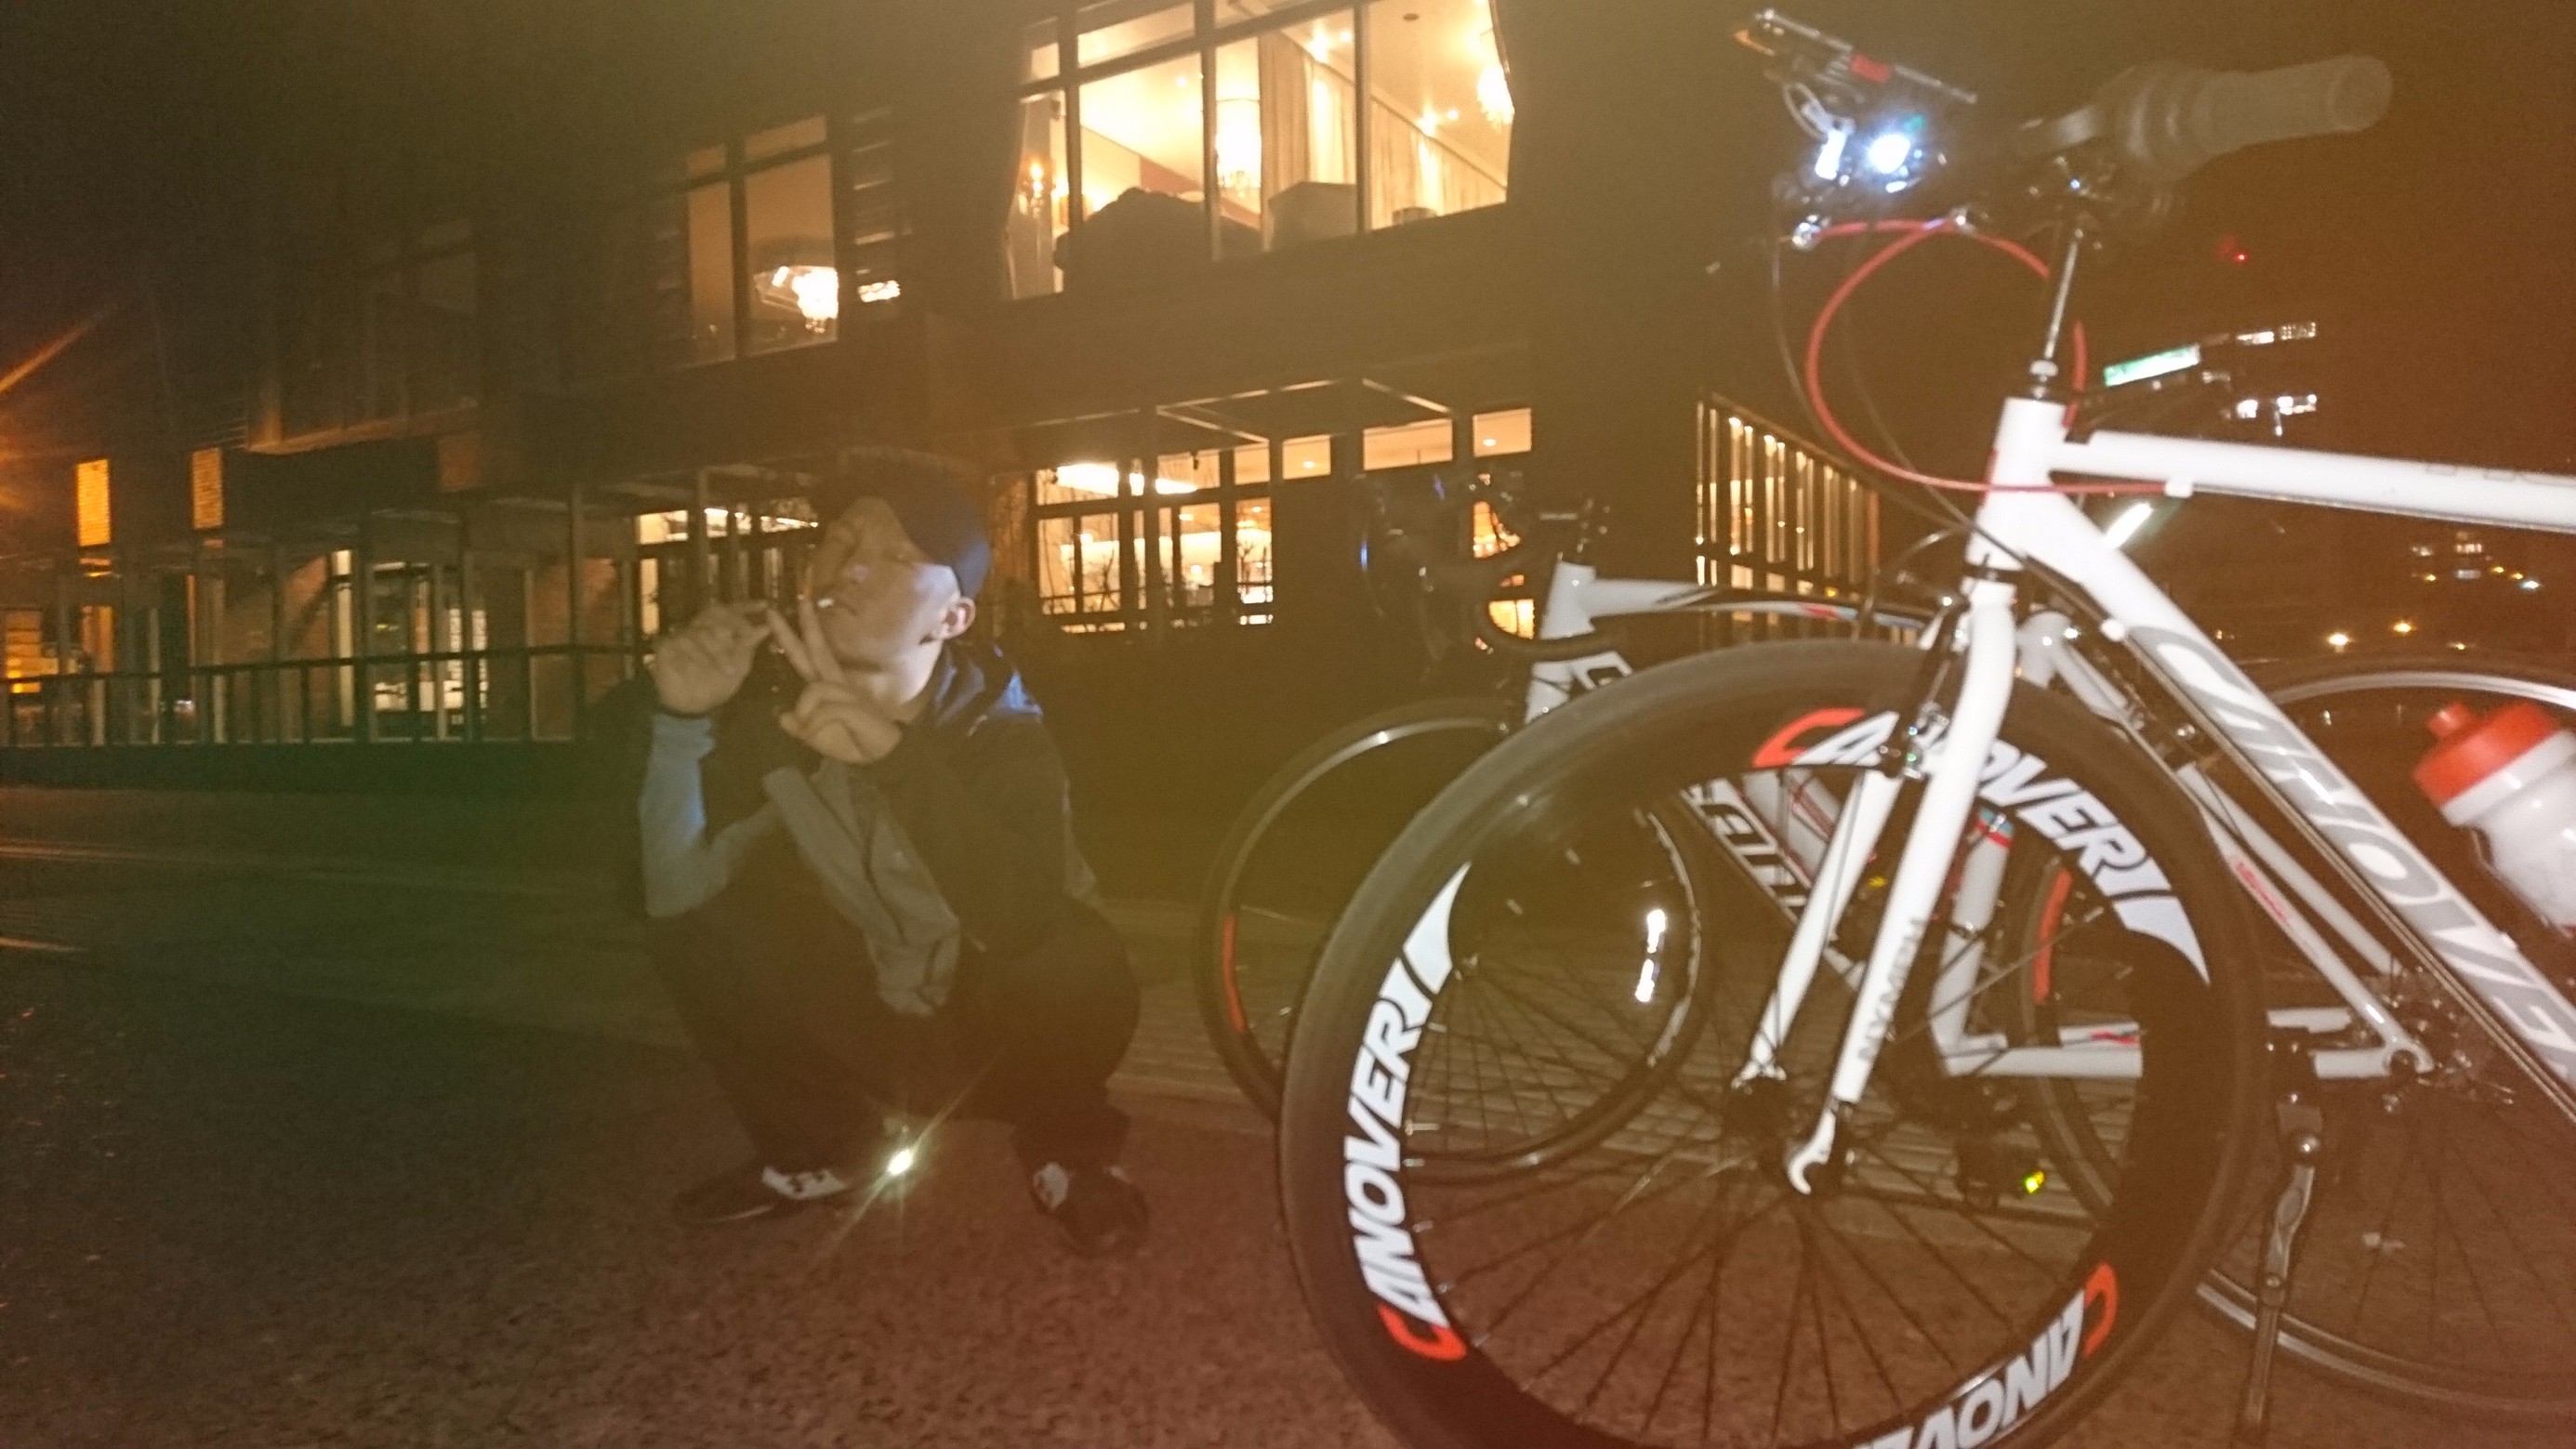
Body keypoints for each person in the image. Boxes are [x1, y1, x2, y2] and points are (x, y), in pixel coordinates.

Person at [621, 447, 1145, 1255]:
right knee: (710, 922)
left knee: (1072, 951)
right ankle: (827, 1151)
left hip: (1015, 1037)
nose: (852, 568)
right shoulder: (779, 727)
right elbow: (676, 900)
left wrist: (894, 762)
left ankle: (1069, 1150)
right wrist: (681, 724)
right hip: (888, 1029)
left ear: (953, 618)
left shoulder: (998, 731)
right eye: (839, 540)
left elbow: (1024, 921)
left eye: (898, 557)